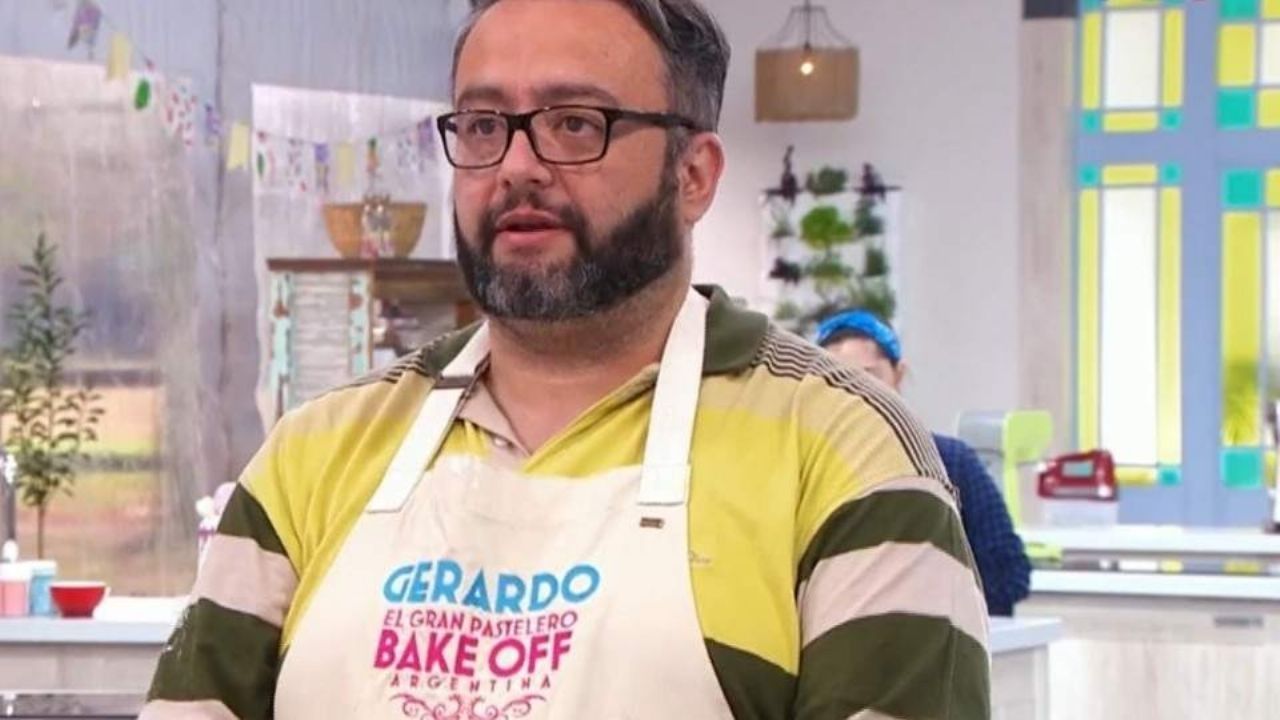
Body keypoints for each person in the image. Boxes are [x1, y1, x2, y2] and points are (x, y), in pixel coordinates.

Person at [143, 1, 989, 717]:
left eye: (575, 123)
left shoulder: (844, 453)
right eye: (484, 126)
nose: (517, 167)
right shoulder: (317, 450)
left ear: (693, 175)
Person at [816, 308, 1032, 616]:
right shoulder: (808, 472)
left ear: (898, 374)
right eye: (836, 381)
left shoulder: (950, 462)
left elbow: (1009, 574)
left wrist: (932, 608)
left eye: (869, 377)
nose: (854, 394)